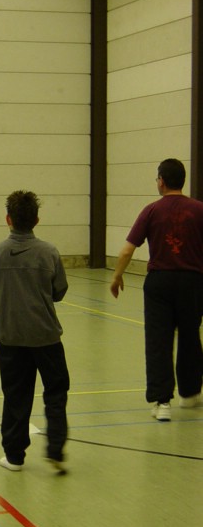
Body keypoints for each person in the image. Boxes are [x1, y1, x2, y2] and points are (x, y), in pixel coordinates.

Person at [0, 191, 69, 473]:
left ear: (8, 219)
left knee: (16, 395)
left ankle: (14, 455)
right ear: (36, 220)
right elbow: (59, 291)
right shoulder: (49, 252)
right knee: (56, 390)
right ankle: (55, 448)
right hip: (46, 336)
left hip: (11, 337)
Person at [110, 158, 203, 421]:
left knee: (158, 341)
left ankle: (162, 403)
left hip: (159, 283)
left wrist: (117, 276)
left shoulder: (151, 210)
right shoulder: (199, 210)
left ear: (161, 180)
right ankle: (190, 392)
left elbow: (129, 248)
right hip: (192, 282)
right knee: (190, 336)